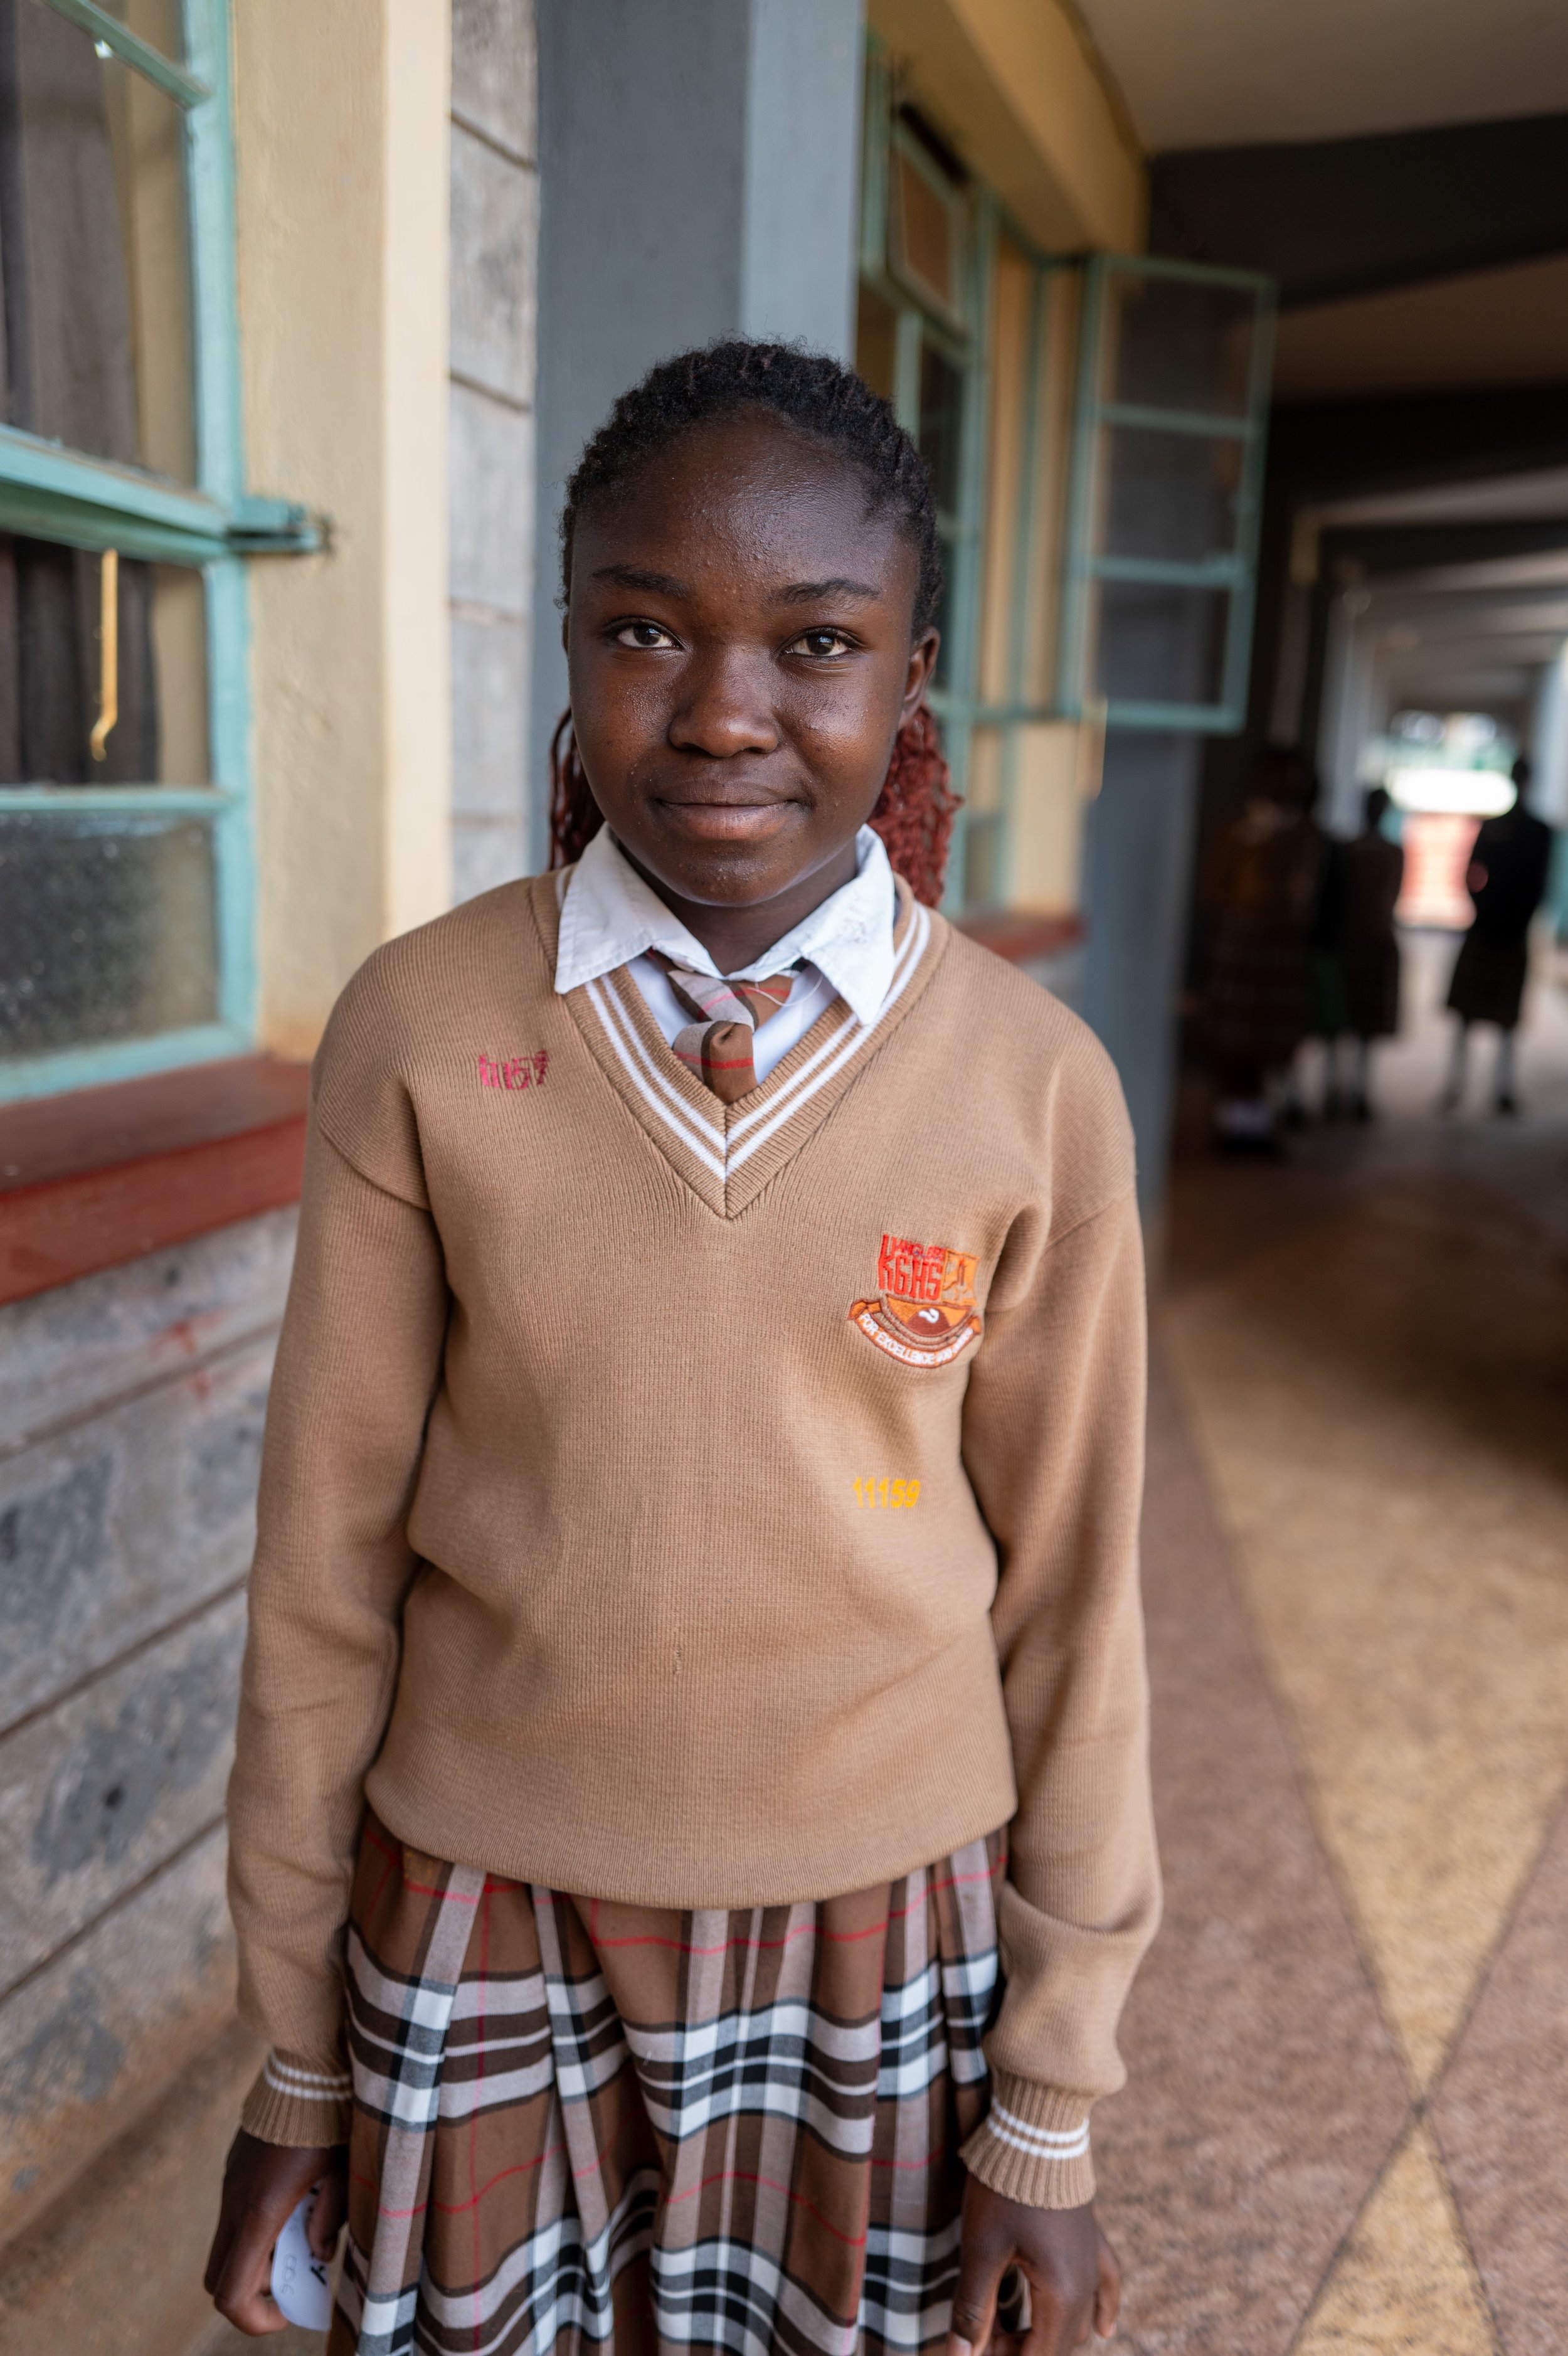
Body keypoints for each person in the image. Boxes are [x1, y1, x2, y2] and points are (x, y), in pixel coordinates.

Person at [203, 343, 1157, 2356]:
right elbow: (322, 1571)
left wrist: (1048, 2109)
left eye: (813, 641)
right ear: (566, 643)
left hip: (875, 1926)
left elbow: (1073, 1603)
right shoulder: (423, 1027)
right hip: (479, 1910)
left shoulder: (1030, 1085)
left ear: (907, 677)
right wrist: (297, 2056)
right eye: (643, 628)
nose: (723, 712)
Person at [1200, 747, 1323, 1150]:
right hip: (1239, 944)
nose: (1283, 786)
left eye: (1290, 778)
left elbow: (1306, 894)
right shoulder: (1236, 829)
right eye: (1276, 776)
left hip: (1281, 947)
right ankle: (1233, 1126)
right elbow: (1215, 885)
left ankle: (1258, 1127)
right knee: (1235, 1046)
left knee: (1271, 1047)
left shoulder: (1303, 833)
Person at [1443, 756, 1553, 1115]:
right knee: (1469, 1015)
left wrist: (1514, 919)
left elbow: (1538, 885)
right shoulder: (1500, 828)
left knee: (1504, 1017)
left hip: (1508, 932)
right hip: (1490, 928)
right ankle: (1456, 1084)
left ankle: (1500, 1087)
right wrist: (1483, 908)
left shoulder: (1538, 832)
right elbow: (1472, 872)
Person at [1332, 785, 1404, 1120]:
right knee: (1342, 1024)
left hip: (1367, 941)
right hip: (1358, 941)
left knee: (1359, 1027)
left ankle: (1353, 1090)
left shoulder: (1375, 851)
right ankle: (1337, 1089)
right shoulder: (1358, 851)